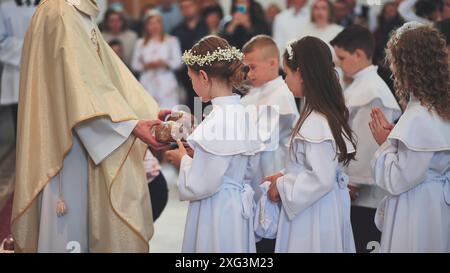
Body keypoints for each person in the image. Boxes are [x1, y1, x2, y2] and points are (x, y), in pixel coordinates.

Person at [11, 0, 169, 253]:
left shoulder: (79, 12)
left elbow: (108, 73)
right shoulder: (60, 11)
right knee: (68, 229)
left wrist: (145, 113)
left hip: (84, 136)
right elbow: (81, 89)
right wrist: (131, 125)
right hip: (66, 141)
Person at [165, 35, 263, 252]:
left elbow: (200, 185)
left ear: (203, 76)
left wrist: (183, 160)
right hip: (237, 207)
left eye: (191, 79)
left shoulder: (218, 120)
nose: (192, 84)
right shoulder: (241, 113)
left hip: (216, 210)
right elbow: (247, 168)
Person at [263, 37, 357, 253]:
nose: (284, 80)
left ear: (302, 74)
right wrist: (282, 174)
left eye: (287, 73)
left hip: (314, 212)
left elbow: (320, 178)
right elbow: (308, 165)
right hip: (318, 205)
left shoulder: (317, 120)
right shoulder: (320, 113)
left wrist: (283, 185)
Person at [369, 22, 450, 253]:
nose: (392, 67)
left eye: (395, 61)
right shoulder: (440, 107)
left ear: (409, 66)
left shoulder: (419, 117)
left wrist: (384, 144)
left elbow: (399, 178)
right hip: (436, 204)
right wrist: (395, 137)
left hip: (417, 208)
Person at [330, 25, 401, 252]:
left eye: (342, 57)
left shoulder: (372, 91)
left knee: (362, 240)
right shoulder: (360, 85)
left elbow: (368, 143)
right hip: (353, 187)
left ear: (359, 54)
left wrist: (353, 181)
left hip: (364, 193)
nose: (339, 63)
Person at [0, 0, 40, 140]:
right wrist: (31, 47)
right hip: (16, 75)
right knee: (21, 129)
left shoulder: (48, 6)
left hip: (45, 73)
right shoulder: (4, 9)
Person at [131, 10, 182, 109]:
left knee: (169, 112)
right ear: (146, 26)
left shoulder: (171, 41)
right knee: (149, 112)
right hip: (147, 81)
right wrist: (146, 66)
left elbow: (178, 62)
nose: (154, 26)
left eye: (157, 22)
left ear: (161, 24)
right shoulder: (140, 43)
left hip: (166, 82)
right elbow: (134, 65)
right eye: (150, 23)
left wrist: (165, 63)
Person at [171, 0, 209, 112]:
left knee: (212, 112)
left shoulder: (207, 26)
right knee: (196, 114)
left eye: (189, 6)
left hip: (210, 76)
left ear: (196, 6)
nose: (187, 9)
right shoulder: (176, 31)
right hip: (188, 79)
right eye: (183, 7)